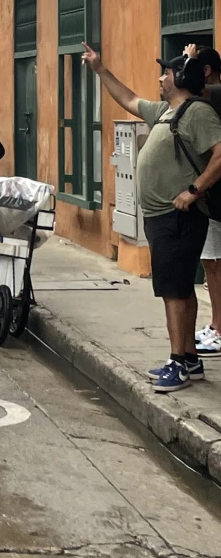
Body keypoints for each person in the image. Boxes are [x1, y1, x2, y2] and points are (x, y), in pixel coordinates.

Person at [83, 46, 221, 392]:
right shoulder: (165, 111)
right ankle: (189, 357)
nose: (160, 78)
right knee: (179, 288)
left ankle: (177, 364)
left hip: (178, 216)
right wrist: (101, 70)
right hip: (163, 217)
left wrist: (193, 190)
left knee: (173, 291)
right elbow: (128, 98)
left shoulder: (198, 113)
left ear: (181, 79)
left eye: (166, 73)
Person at [184, 43, 221, 356]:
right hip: (212, 199)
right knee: (210, 264)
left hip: (215, 197)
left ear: (205, 72)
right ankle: (215, 324)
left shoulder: (215, 95)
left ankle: (220, 329)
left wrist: (188, 61)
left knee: (215, 264)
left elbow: (191, 87)